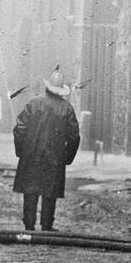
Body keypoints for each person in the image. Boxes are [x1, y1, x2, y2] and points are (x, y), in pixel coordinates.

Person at [13, 67, 80, 232]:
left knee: (30, 190)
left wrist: (20, 151)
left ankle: (29, 225)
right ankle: (47, 225)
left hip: (31, 155)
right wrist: (67, 158)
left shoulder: (33, 103)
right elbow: (74, 137)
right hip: (55, 157)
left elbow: (19, 129)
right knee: (50, 192)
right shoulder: (67, 109)